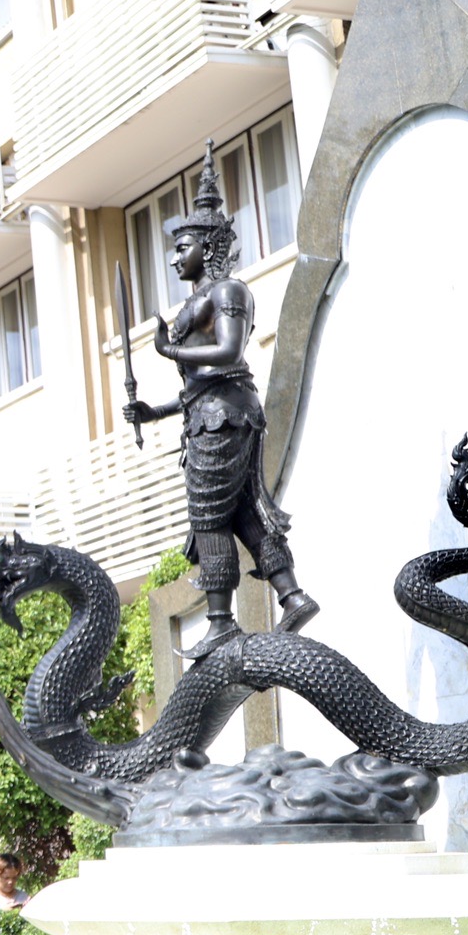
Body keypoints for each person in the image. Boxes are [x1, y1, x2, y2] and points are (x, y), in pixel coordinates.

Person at [122, 144, 319, 657]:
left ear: (208, 247)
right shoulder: (198, 301)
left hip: (226, 417)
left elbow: (230, 351)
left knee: (209, 515)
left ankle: (219, 619)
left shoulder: (228, 291)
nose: (173, 257)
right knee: (239, 515)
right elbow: (196, 388)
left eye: (182, 245)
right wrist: (156, 411)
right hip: (210, 415)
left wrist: (168, 350)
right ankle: (291, 594)